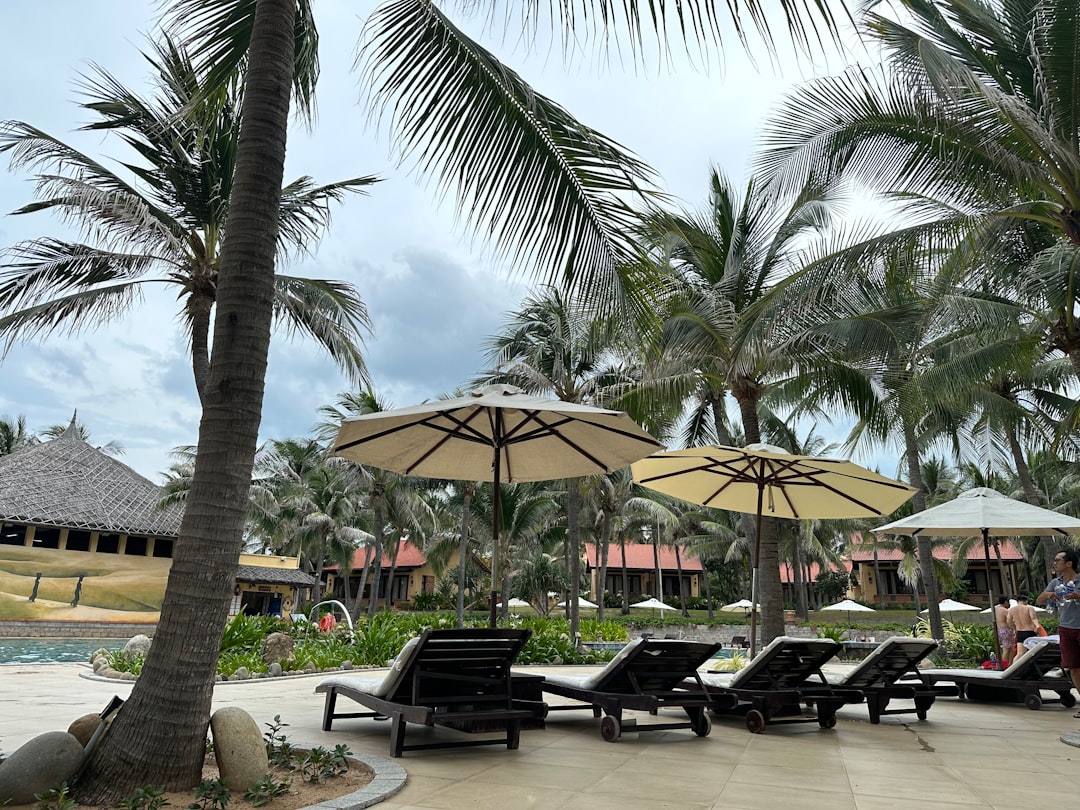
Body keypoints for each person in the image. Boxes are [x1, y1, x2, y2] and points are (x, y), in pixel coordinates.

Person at [1037, 548, 1080, 715]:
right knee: (1074, 667)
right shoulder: (1056, 582)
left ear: (1069, 563)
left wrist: (1078, 597)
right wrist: (1050, 595)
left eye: (1057, 560)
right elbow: (1039, 600)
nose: (1054, 563)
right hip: (1066, 628)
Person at [1008, 595, 1041, 660]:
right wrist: (1037, 626)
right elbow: (1033, 618)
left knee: (1020, 654)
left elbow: (1009, 621)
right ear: (1026, 601)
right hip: (1029, 631)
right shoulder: (1029, 608)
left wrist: (1014, 627)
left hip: (1020, 632)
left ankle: (1014, 668)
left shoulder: (1011, 610)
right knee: (1033, 652)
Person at [994, 595, 1015, 668]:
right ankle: (1005, 665)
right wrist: (1014, 628)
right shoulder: (1005, 611)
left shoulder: (995, 608)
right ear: (1005, 602)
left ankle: (1006, 664)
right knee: (1007, 649)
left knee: (1008, 648)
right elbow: (1009, 621)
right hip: (1006, 629)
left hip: (999, 629)